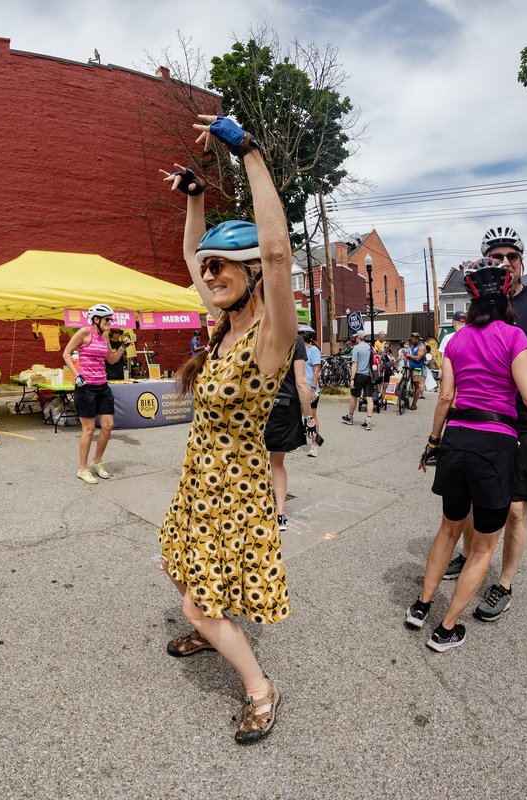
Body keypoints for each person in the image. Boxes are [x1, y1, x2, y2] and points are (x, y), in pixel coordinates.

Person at [157, 113, 296, 744]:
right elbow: (190, 252)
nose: (209, 275)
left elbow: (278, 249)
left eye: (222, 267)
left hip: (234, 493)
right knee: (182, 570)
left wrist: (250, 153)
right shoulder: (223, 326)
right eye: (208, 268)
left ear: (252, 274)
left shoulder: (271, 338)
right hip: (201, 483)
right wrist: (196, 198)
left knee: (198, 601)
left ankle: (260, 691)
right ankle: (212, 627)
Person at [409, 258, 527, 651]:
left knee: (448, 528)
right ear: (506, 294)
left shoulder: (455, 341)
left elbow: (445, 397)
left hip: (456, 438)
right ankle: (446, 628)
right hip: (495, 443)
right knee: (484, 547)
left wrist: (433, 442)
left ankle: (420, 607)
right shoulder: (514, 337)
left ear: (471, 301)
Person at [442, 226, 527, 621]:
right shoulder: (480, 308)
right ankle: (470, 557)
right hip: (485, 421)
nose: (505, 264)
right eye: (497, 257)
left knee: (516, 509)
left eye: (512, 257)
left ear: (522, 261)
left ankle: (503, 582)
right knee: (471, 502)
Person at [63, 303, 128, 485]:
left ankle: (97, 461)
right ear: (96, 319)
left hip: (102, 386)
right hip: (86, 387)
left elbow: (112, 359)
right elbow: (66, 353)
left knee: (108, 426)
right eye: (107, 319)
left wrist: (122, 347)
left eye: (111, 319)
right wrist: (76, 375)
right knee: (89, 429)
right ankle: (82, 469)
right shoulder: (84, 332)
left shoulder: (105, 336)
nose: (110, 322)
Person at [265, 334, 314, 530]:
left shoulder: (257, 334)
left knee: (251, 459)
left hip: (257, 406)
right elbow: (301, 382)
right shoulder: (295, 340)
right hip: (285, 406)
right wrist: (309, 418)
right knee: (277, 462)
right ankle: (280, 514)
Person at [343, 332, 374, 430]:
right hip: (369, 375)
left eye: (356, 337)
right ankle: (368, 422)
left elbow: (354, 365)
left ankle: (350, 417)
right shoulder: (370, 347)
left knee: (354, 396)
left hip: (359, 375)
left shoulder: (356, 348)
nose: (355, 338)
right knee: (369, 398)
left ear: (359, 337)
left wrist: (352, 379)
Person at [302, 327, 323, 457]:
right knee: (299, 416)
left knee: (312, 417)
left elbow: (316, 370)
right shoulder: (298, 350)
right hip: (299, 389)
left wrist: (313, 389)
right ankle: (298, 441)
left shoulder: (313, 350)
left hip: (311, 389)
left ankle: (314, 444)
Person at [406, 331, 428, 409]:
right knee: (403, 381)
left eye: (413, 339)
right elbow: (409, 356)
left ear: (417, 339)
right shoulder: (412, 346)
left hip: (417, 368)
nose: (412, 341)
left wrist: (409, 355)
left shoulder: (421, 347)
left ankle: (414, 404)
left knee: (416, 386)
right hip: (409, 367)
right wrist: (406, 357)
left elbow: (418, 358)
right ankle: (404, 395)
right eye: (411, 339)